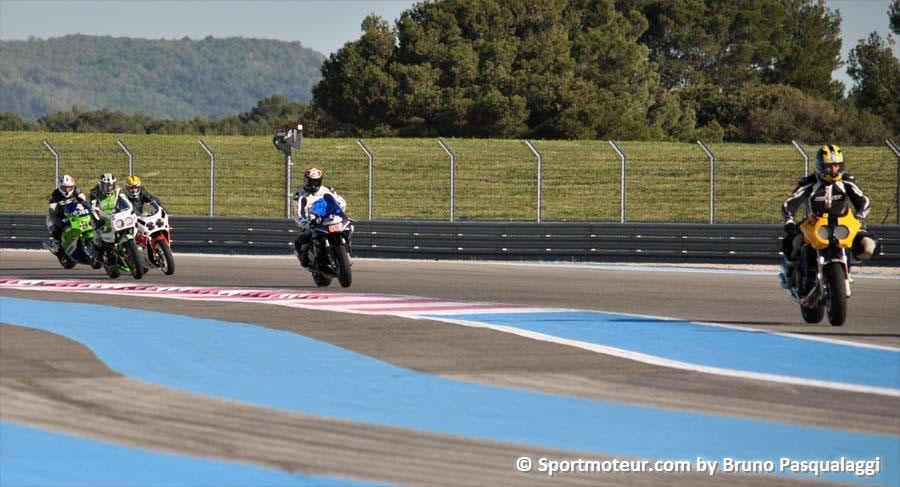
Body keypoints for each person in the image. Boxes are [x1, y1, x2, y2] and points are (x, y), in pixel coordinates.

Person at [780, 144, 877, 285]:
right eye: (828, 166)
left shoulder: (847, 181)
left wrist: (861, 216)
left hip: (845, 223)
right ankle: (790, 270)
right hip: (814, 223)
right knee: (794, 242)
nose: (833, 170)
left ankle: (849, 262)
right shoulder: (809, 183)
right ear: (820, 166)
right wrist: (789, 220)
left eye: (836, 165)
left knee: (869, 247)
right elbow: (789, 203)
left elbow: (863, 201)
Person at [292, 167, 347, 267]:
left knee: (347, 228)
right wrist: (305, 223)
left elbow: (340, 201)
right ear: (305, 180)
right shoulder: (299, 195)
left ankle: (343, 252)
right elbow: (297, 213)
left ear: (320, 181)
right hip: (312, 222)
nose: (313, 184)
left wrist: (340, 212)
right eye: (311, 181)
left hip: (329, 218)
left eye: (316, 181)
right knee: (300, 242)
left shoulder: (327, 190)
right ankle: (307, 258)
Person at [45, 174, 90, 255]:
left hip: (75, 212)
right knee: (55, 226)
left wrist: (89, 210)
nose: (67, 190)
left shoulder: (77, 190)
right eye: (64, 188)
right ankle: (56, 243)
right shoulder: (55, 194)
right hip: (61, 214)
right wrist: (58, 221)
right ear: (60, 187)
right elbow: (52, 210)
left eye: (69, 187)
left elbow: (85, 202)